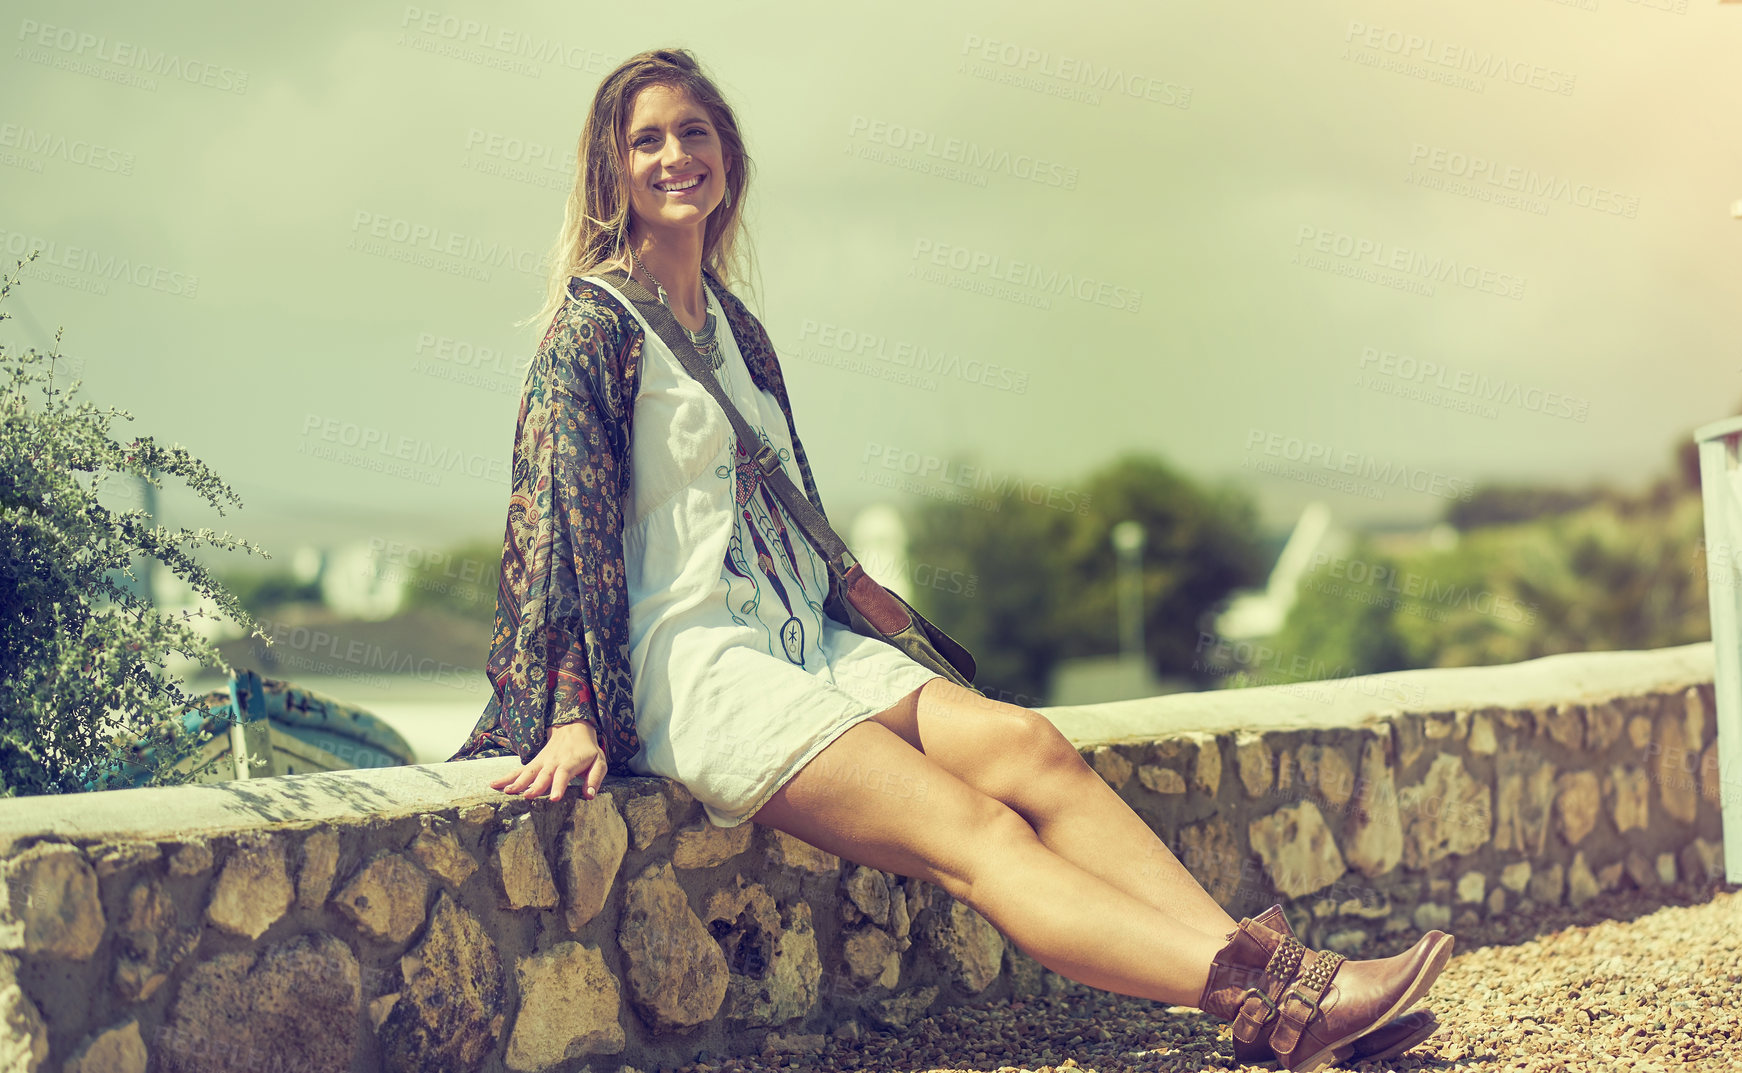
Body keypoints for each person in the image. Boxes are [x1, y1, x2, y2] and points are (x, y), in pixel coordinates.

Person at [445, 47, 1453, 1071]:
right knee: (981, 833)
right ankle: (1281, 1000)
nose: (675, 156)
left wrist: (851, 587)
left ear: (727, 156)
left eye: (694, 131)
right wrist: (571, 710)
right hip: (705, 667)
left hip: (805, 637)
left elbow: (777, 496)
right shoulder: (592, 327)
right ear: (612, 171)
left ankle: (1283, 1001)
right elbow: (552, 529)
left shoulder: (737, 328)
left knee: (1032, 749)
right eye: (647, 139)